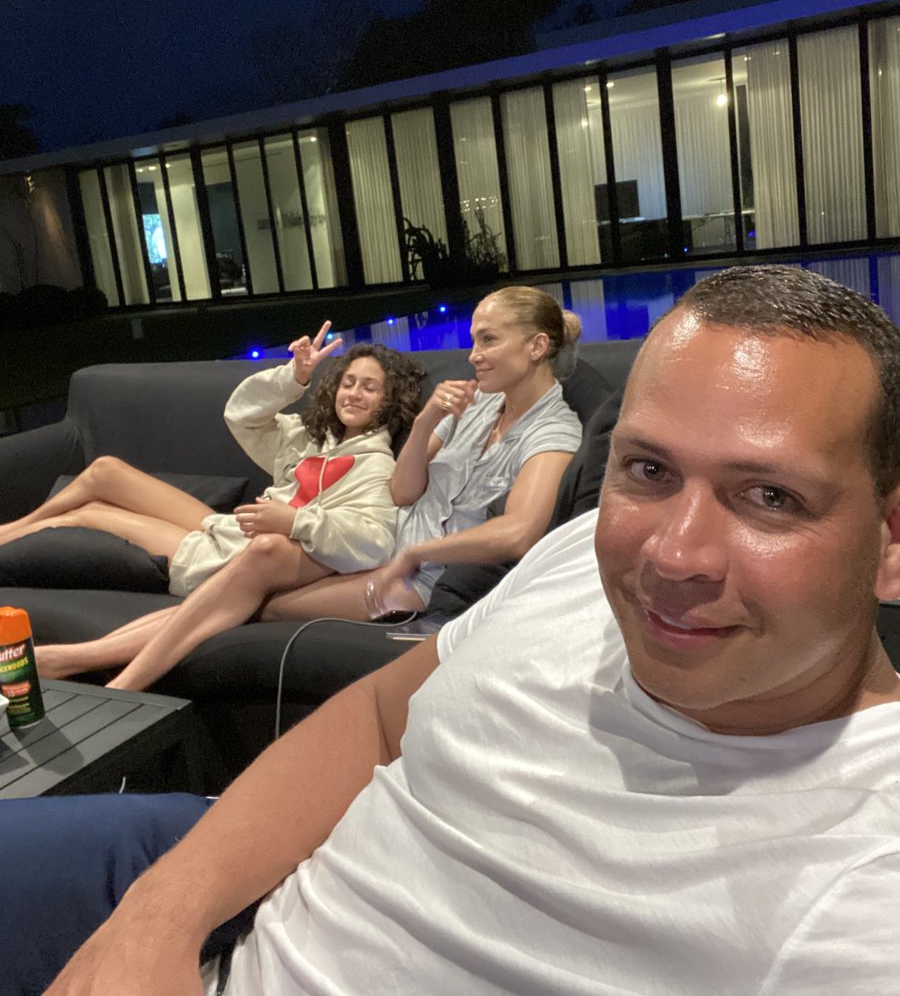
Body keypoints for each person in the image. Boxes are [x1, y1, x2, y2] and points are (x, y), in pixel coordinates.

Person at [14, 262, 900, 996]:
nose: (673, 555)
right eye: (649, 470)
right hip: (244, 866)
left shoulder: (859, 898)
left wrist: (409, 551)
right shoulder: (573, 552)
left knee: (249, 568)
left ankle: (96, 669)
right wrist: (161, 913)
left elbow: (487, 530)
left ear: (890, 541)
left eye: (770, 496)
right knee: (175, 530)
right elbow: (377, 717)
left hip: (393, 575)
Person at [36, 285, 583, 691]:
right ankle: (88, 668)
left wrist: (415, 553)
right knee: (247, 579)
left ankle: (98, 674)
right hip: (379, 542)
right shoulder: (477, 402)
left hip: (416, 577)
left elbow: (518, 533)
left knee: (255, 599)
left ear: (537, 346)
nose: (473, 354)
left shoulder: (554, 430)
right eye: (473, 340)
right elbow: (402, 492)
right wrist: (423, 425)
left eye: (488, 340)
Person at [2, 324, 425, 611]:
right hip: (229, 529)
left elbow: (374, 543)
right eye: (348, 383)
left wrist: (296, 521)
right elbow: (241, 415)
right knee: (104, 471)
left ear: (389, 401)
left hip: (227, 560)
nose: (354, 394)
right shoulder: (308, 437)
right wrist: (293, 377)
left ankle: (13, 538)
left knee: (89, 516)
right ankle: (12, 529)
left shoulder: (376, 466)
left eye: (369, 388)